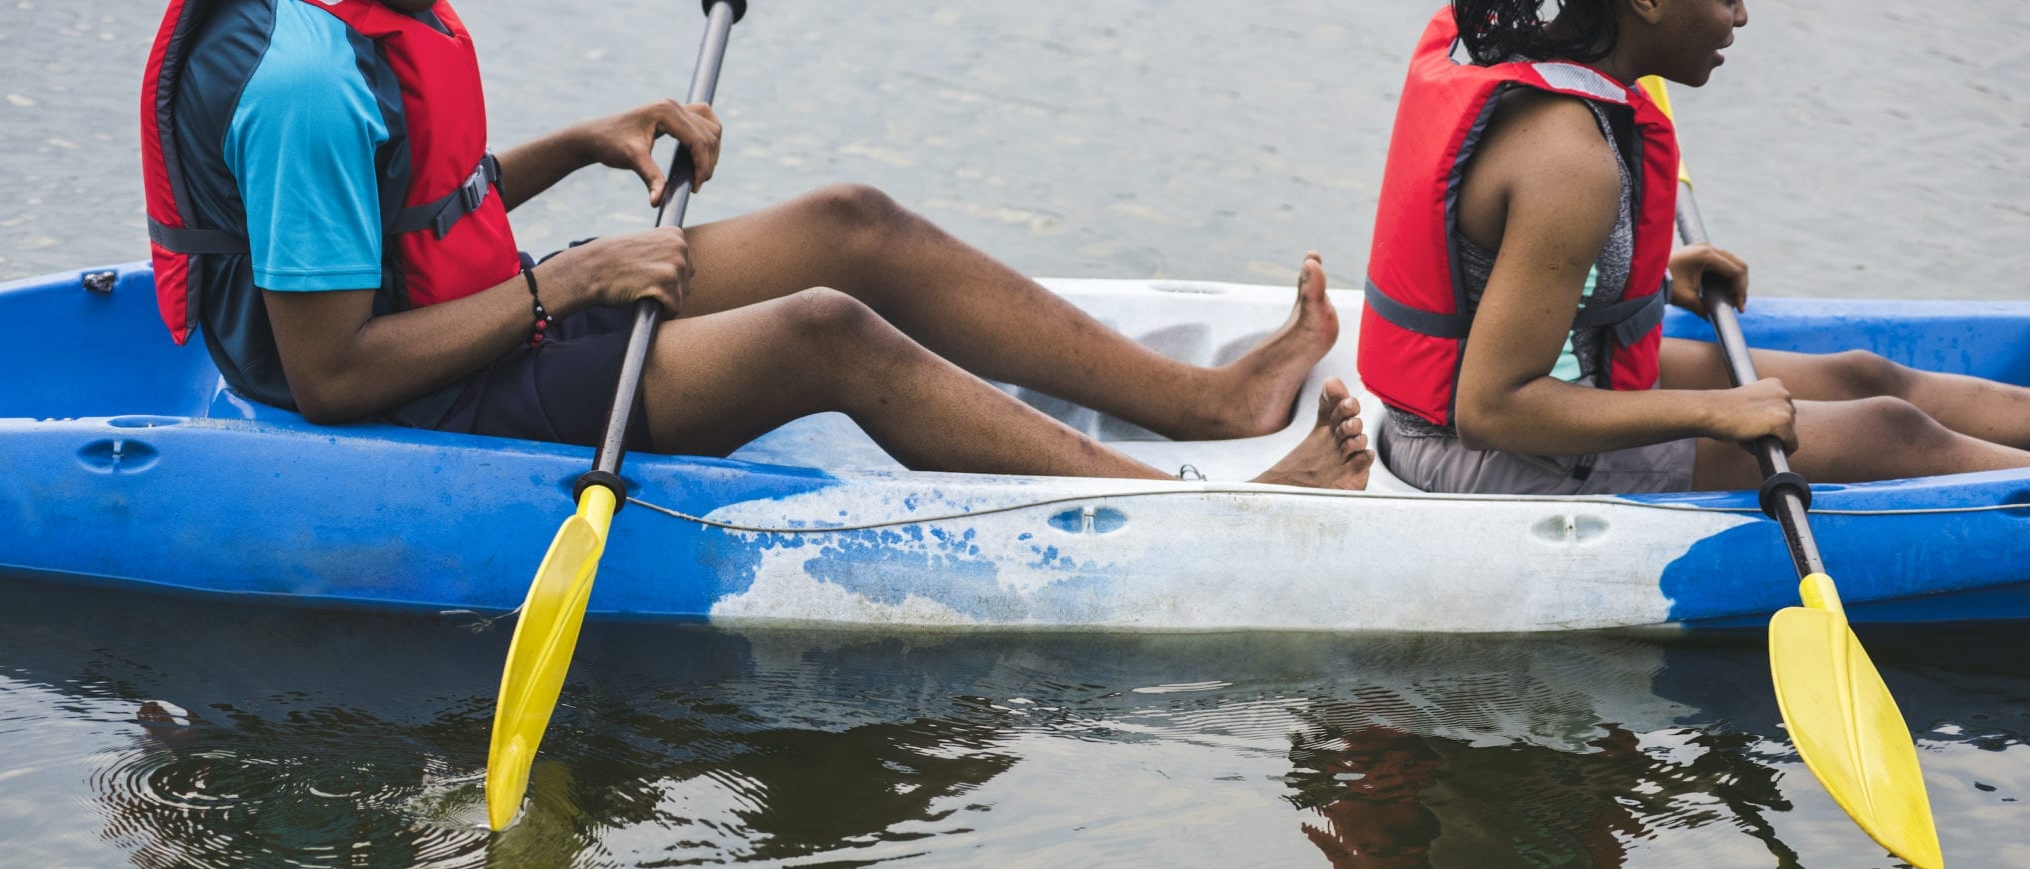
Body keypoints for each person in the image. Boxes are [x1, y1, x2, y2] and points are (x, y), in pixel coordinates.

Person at [141, 0, 1370, 489]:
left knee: (853, 225)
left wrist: (579, 141)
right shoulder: (301, 82)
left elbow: (416, 216)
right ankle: (1191, 512)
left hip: (475, 316)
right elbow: (335, 376)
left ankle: (1206, 402)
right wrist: (567, 281)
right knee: (823, 334)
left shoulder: (362, 24)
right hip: (419, 394)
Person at [1359, 0, 2030, 496]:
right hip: (1480, 457)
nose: (1741, 15)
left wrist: (1642, 277)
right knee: (1887, 431)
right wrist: (1716, 411)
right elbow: (1491, 409)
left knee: (1867, 378)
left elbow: (1503, 262)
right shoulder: (1568, 158)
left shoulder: (1534, 58)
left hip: (1552, 389)